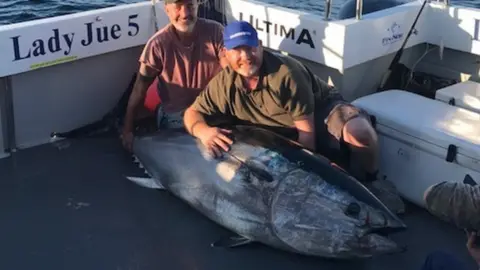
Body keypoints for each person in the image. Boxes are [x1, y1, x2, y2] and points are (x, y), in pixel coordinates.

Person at [182, 20, 404, 212]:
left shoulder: (285, 74)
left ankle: (374, 183)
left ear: (260, 46)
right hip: (272, 130)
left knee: (359, 133)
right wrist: (204, 131)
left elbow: (307, 138)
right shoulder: (224, 83)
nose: (246, 56)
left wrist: (303, 185)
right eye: (237, 50)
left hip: (318, 111)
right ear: (226, 54)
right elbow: (192, 113)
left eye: (251, 48)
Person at [121, 0, 227, 151]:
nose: (185, 14)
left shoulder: (216, 32)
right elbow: (139, 89)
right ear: (167, 10)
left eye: (190, 6)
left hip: (212, 110)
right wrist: (127, 130)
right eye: (178, 7)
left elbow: (232, 74)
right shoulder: (157, 45)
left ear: (198, 6)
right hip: (177, 116)